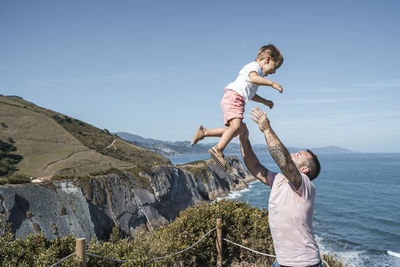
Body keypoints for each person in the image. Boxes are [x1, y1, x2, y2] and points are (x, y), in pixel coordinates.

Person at [239, 107, 322, 267]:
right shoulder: (279, 180)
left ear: (304, 169)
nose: (293, 154)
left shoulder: (305, 186)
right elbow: (254, 166)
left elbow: (284, 160)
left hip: (305, 263)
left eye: (298, 155)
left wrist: (266, 129)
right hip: (282, 261)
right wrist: (244, 140)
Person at [191, 44, 284, 171]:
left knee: (238, 131)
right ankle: (218, 149)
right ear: (267, 59)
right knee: (236, 127)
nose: (274, 71)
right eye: (275, 67)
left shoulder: (256, 75)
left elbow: (251, 95)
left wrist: (265, 101)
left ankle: (204, 132)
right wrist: (272, 84)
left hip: (234, 98)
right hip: (234, 98)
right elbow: (253, 78)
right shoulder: (254, 68)